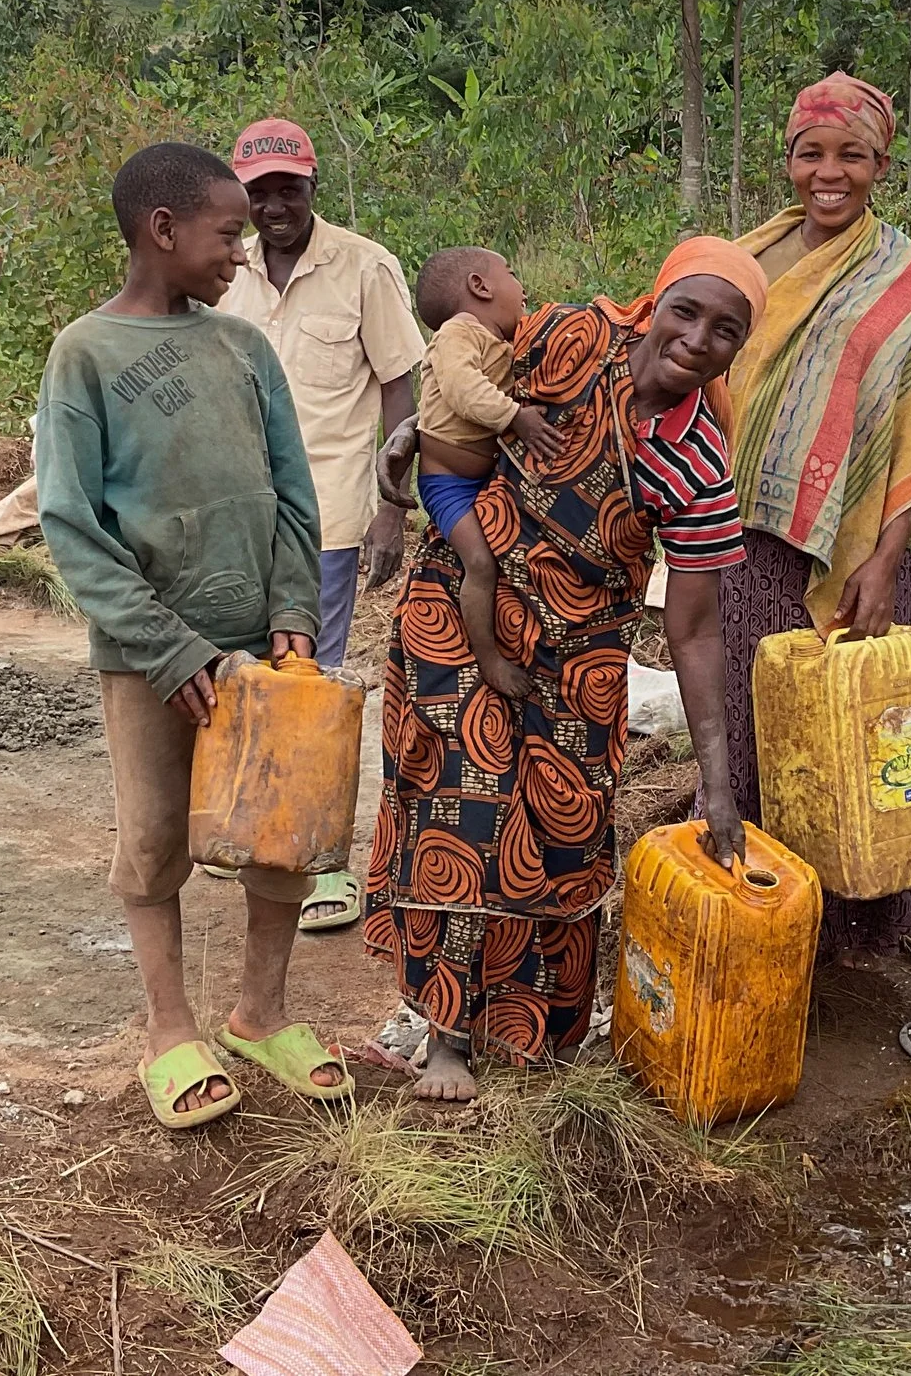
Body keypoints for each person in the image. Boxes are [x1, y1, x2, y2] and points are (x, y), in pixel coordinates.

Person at [365, 239, 769, 1102]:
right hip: (462, 609)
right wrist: (411, 434)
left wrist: (718, 781)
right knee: (464, 810)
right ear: (655, 302)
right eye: (686, 311)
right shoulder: (572, 337)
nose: (698, 339)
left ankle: (532, 1035)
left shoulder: (699, 463)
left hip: (580, 655)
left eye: (725, 330)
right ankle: (447, 1036)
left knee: (558, 831)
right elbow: (463, 370)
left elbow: (696, 629)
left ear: (740, 347)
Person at [32, 141, 348, 1133]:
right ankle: (169, 1029)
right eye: (227, 234)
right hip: (149, 659)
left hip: (265, 650)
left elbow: (293, 493)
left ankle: (261, 1013)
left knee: (285, 830)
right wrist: (170, 650)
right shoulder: (84, 354)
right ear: (162, 230)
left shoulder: (244, 347)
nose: (242, 253)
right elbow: (71, 525)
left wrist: (293, 614)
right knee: (154, 837)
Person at [708, 72, 911, 959]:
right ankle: (767, 922)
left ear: (882, 164)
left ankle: (860, 942)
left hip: (860, 552)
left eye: (852, 155)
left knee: (866, 747)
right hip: (741, 546)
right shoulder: (744, 262)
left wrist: (884, 557)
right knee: (755, 738)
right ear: (788, 160)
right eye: (811, 153)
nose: (828, 173)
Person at [216, 117, 428, 932]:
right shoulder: (225, 267)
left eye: (289, 189)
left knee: (314, 678)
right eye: (259, 192)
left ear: (313, 186)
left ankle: (323, 862)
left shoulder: (364, 266)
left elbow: (401, 386)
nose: (275, 206)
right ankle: (252, 828)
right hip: (237, 509)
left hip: (329, 512)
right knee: (243, 667)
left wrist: (391, 507)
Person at [408, 246, 566, 700]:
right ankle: (489, 659)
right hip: (448, 483)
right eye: (511, 274)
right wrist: (514, 416)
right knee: (480, 562)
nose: (522, 289)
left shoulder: (504, 343)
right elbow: (462, 389)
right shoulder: (459, 333)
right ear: (479, 286)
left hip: (487, 478)